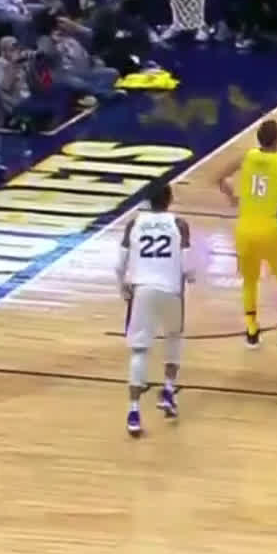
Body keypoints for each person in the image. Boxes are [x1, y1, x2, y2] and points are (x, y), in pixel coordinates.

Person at [214, 119, 277, 354]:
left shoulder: (245, 157)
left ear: (259, 139)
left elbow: (217, 177)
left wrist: (231, 197)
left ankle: (251, 332)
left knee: (249, 282)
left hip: (244, 230)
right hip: (272, 231)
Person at [115, 184, 196, 436]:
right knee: (174, 338)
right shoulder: (179, 224)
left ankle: (134, 411)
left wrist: (122, 287)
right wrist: (191, 278)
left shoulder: (134, 224)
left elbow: (118, 265)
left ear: (147, 201)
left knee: (139, 351)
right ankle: (169, 389)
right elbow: (188, 268)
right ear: (169, 199)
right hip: (171, 291)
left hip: (143, 291)